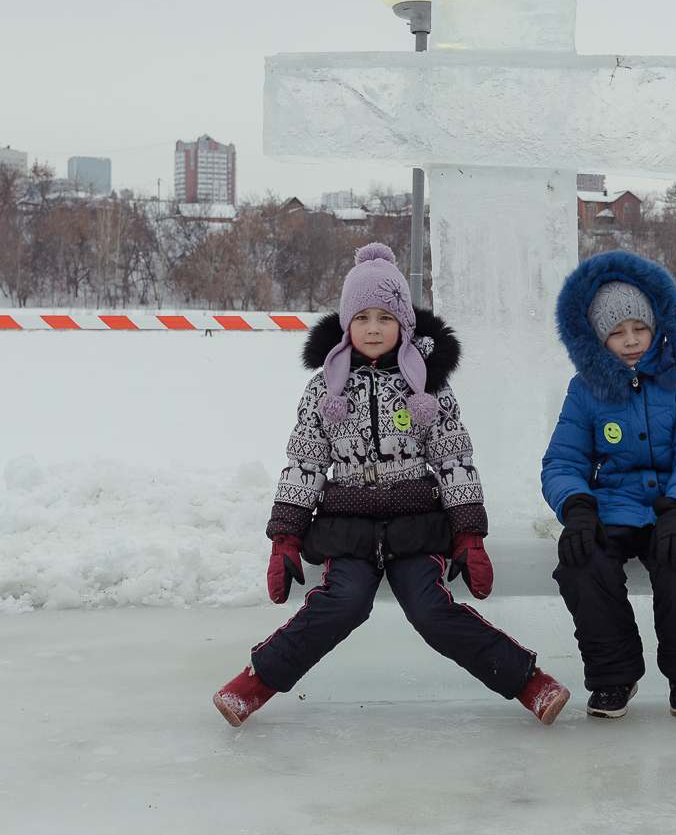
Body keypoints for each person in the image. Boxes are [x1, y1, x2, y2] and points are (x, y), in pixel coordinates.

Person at [213, 244, 570, 727]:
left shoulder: (427, 384)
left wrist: (469, 535)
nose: (374, 327)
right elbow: (305, 464)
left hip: (416, 528)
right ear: (346, 324)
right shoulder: (325, 389)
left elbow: (454, 459)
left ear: (403, 321)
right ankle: (252, 686)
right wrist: (285, 538)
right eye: (362, 317)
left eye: (385, 316)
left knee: (429, 608)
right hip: (348, 529)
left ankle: (530, 683)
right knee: (344, 602)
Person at [541, 250, 676, 719]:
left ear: (658, 325)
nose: (631, 341)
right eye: (617, 333)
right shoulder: (585, 389)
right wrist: (577, 507)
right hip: (612, 506)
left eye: (639, 329)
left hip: (671, 508)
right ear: (599, 340)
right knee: (582, 565)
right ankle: (614, 676)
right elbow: (563, 459)